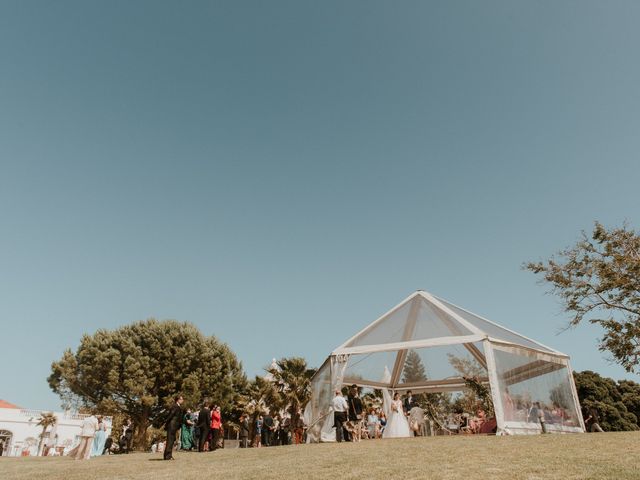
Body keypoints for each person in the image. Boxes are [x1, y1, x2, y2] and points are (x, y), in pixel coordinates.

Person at [163, 394, 184, 460]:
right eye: (181, 399)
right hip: (172, 425)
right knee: (170, 440)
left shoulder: (178, 406)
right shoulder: (175, 406)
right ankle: (167, 456)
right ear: (178, 400)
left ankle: (169, 455)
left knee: (172, 441)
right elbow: (171, 415)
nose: (182, 400)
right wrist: (166, 423)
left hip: (174, 425)